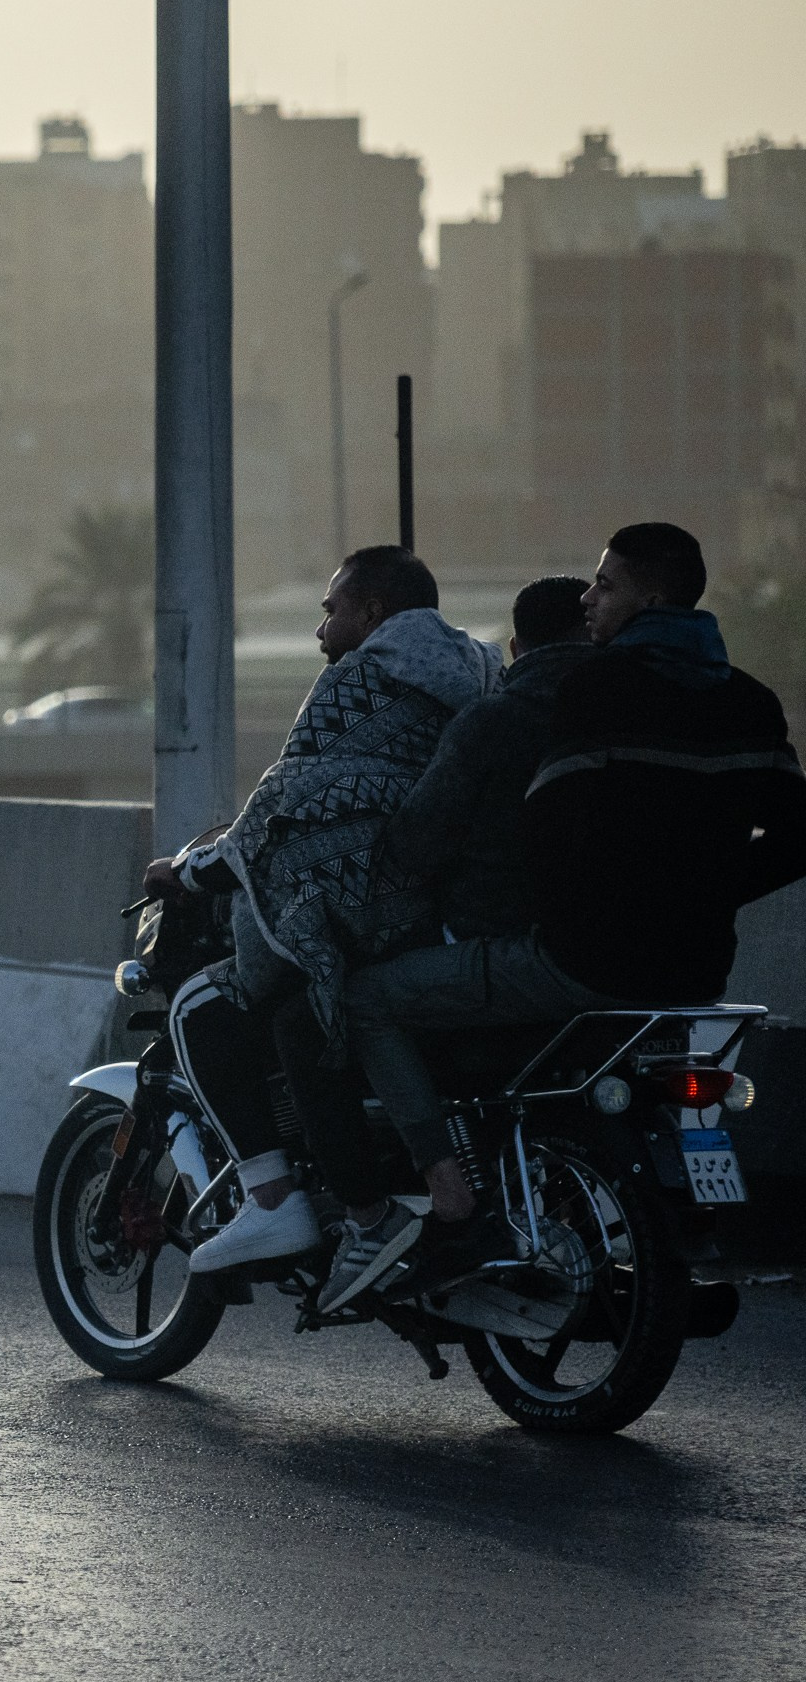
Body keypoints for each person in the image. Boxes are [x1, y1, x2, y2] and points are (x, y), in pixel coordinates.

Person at [329, 522, 806, 1303]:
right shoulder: (750, 699)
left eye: (607, 584)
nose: (591, 599)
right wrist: (709, 888)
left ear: (651, 596)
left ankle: (449, 1199)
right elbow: (796, 833)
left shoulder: (597, 689)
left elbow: (550, 828)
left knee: (368, 999)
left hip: (580, 961)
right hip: (693, 970)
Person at [143, 546, 501, 1275]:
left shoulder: (358, 681)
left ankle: (277, 1200)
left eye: (331, 610)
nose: (320, 631)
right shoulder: (481, 675)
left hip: (369, 915)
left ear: (372, 613)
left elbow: (290, 802)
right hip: (447, 911)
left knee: (205, 1007)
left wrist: (189, 870)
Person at [293, 575, 594, 1309]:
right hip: (653, 953)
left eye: (332, 610)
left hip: (519, 945)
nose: (323, 627)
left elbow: (415, 843)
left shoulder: (496, 718)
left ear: (519, 645)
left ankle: (444, 1191)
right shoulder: (625, 709)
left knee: (365, 1001)